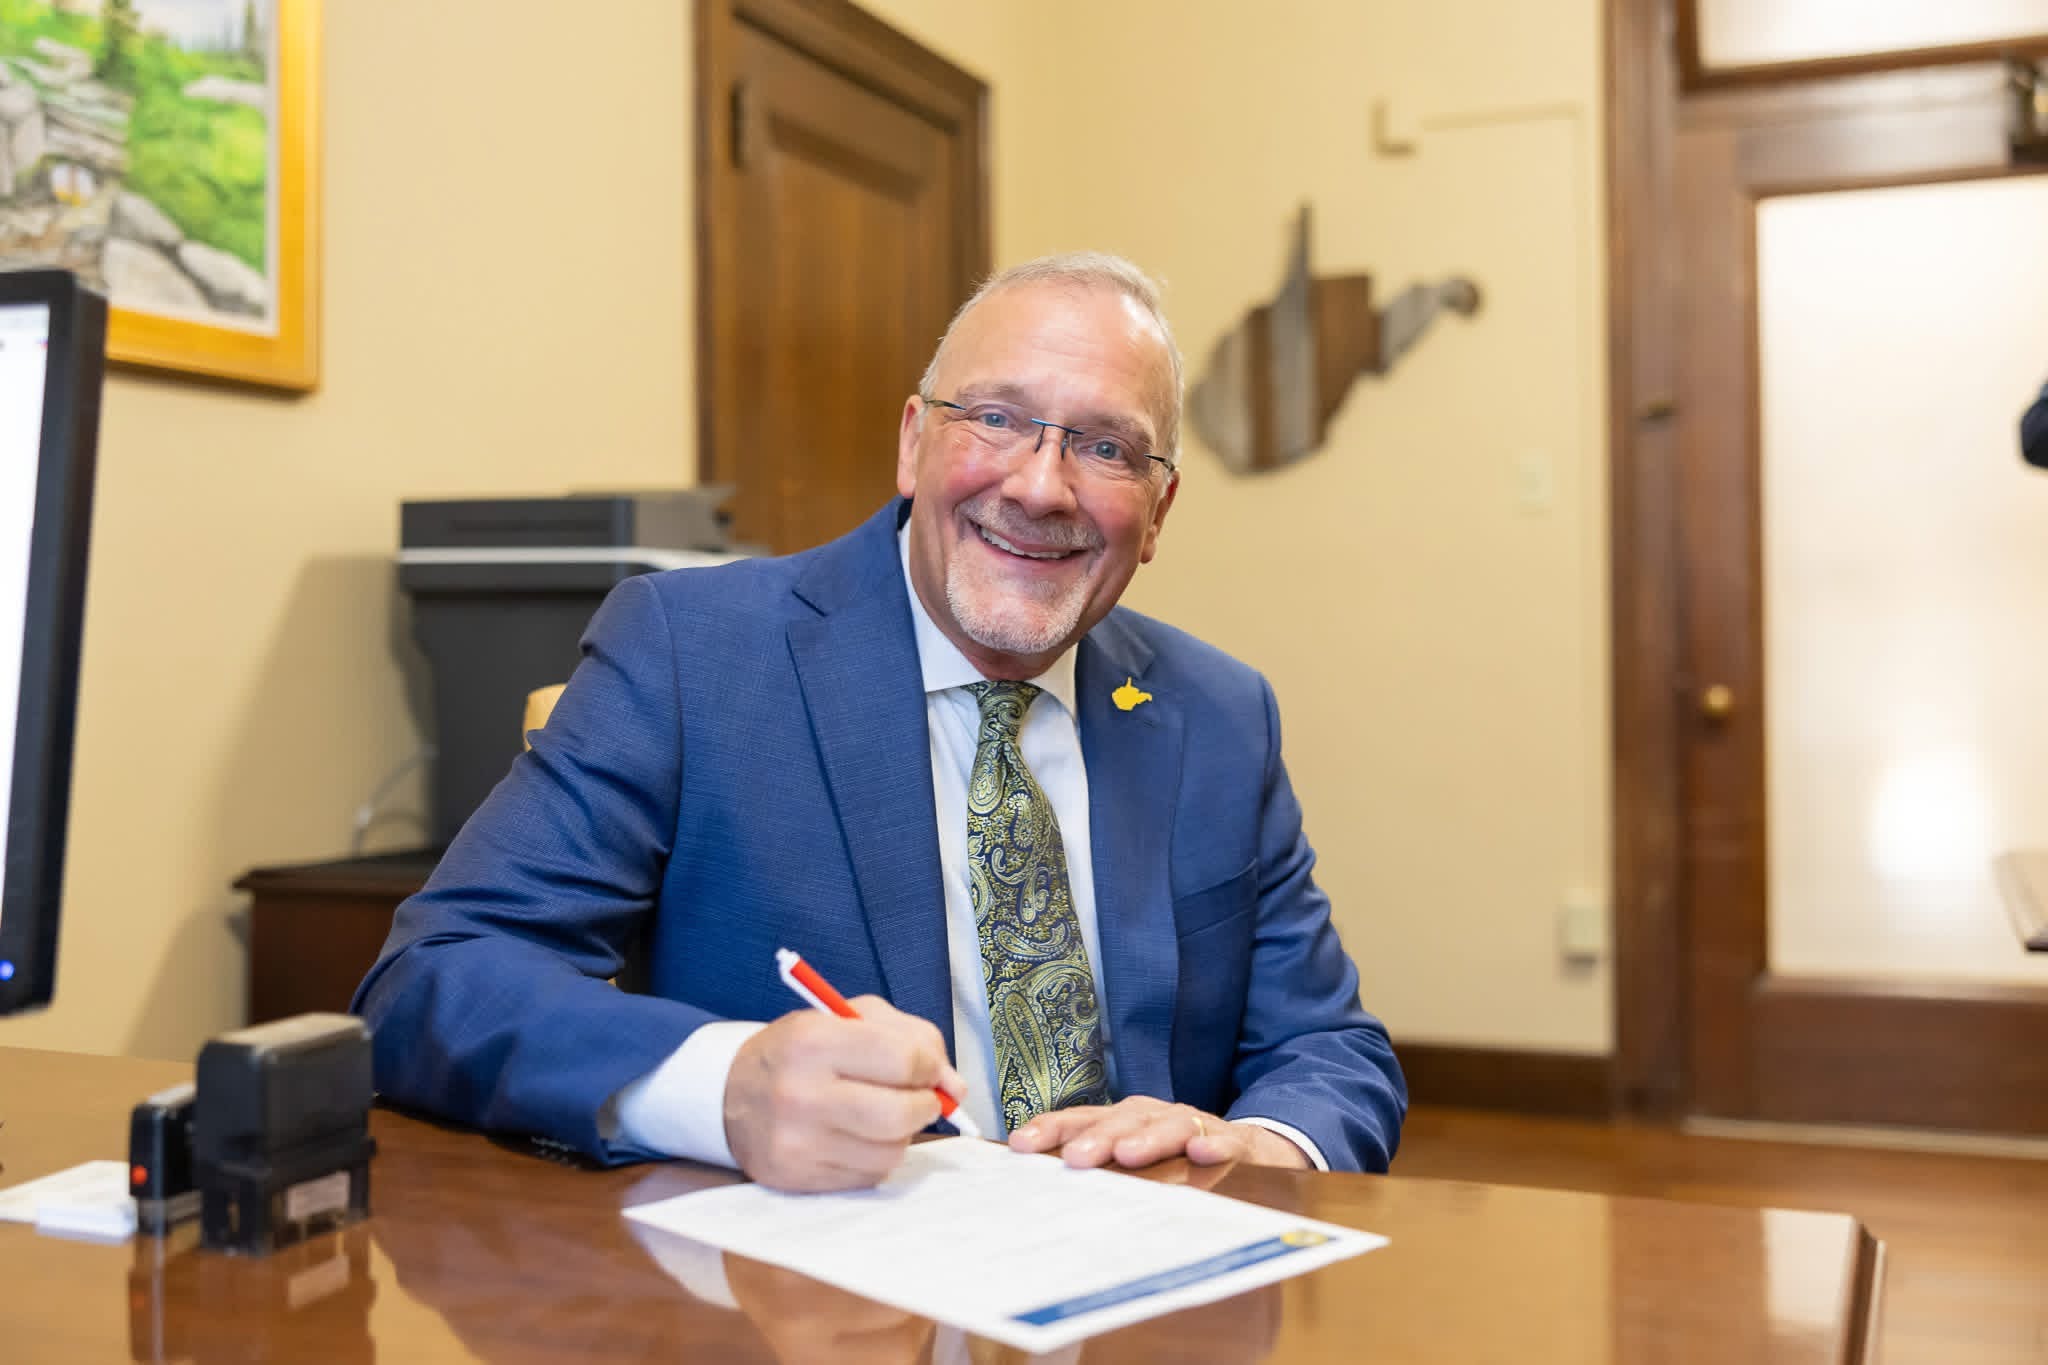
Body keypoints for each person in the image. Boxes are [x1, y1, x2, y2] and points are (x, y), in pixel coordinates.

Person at [353, 253, 1406, 1192]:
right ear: (912, 443)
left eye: (1104, 447)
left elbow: (1329, 1049)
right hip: (815, 1300)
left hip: (1142, 1287)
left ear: (1159, 510)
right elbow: (436, 976)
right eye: (996, 418)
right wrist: (725, 1088)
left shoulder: (1219, 714)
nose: (1041, 486)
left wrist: (1255, 1149)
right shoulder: (692, 653)